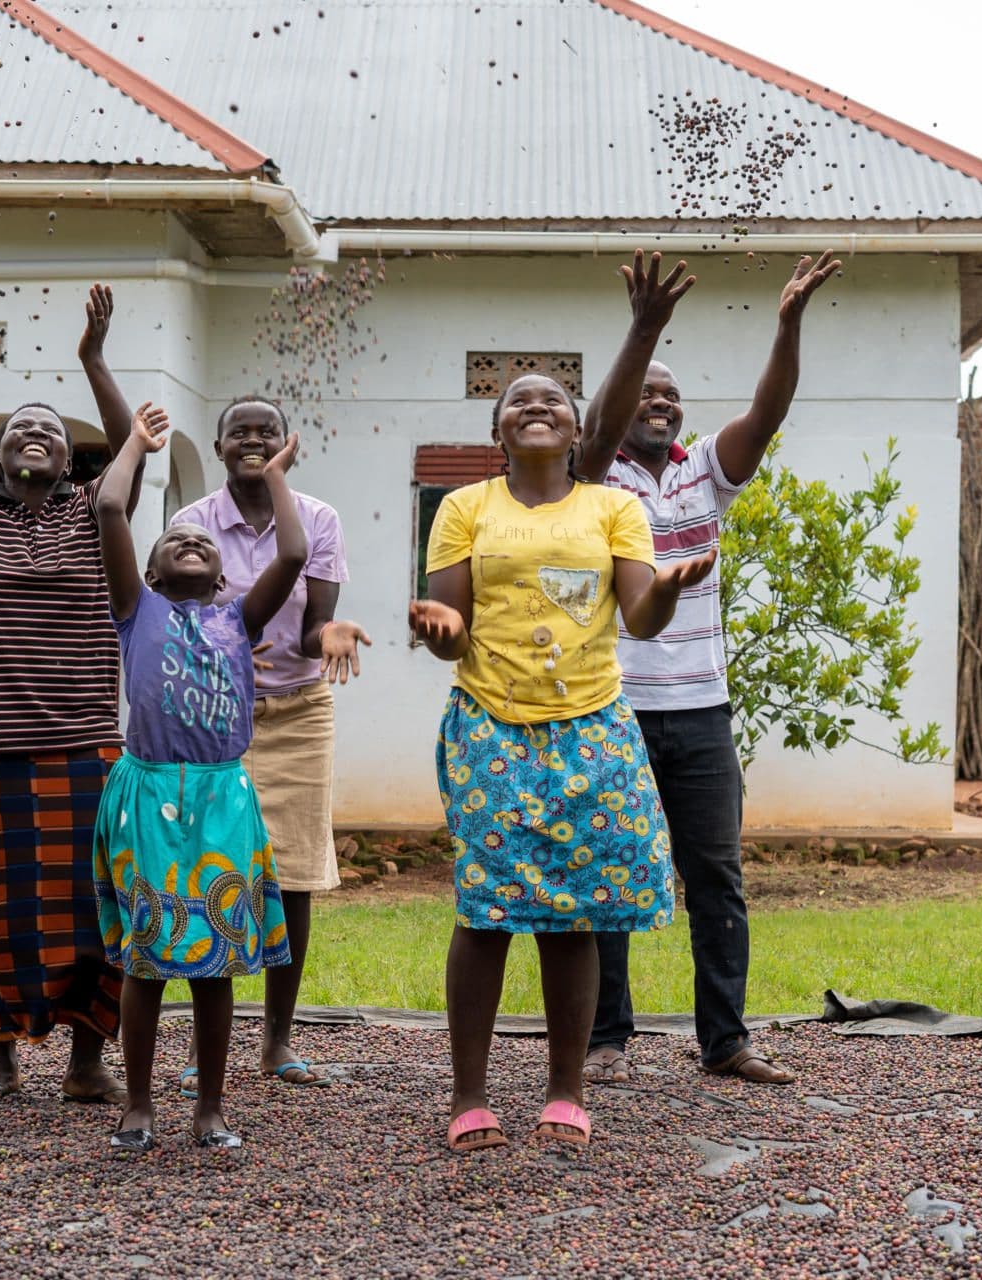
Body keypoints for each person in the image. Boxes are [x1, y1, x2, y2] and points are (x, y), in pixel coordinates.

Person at [409, 371, 716, 1153]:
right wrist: (440, 629)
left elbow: (641, 618)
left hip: (591, 729)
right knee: (485, 909)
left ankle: (566, 1092)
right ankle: (470, 1095)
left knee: (573, 912)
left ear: (579, 431)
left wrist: (672, 590)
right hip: (490, 727)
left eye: (553, 400)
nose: (536, 406)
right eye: (519, 401)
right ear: (498, 432)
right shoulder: (464, 508)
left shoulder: (614, 507)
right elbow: (451, 621)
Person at [573, 248, 839, 1088]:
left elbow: (767, 411)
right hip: (612, 707)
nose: (661, 402)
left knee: (716, 877)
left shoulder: (702, 476)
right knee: (609, 870)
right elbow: (598, 428)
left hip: (701, 711)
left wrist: (788, 323)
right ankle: (606, 1039)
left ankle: (725, 1041)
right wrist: (642, 330)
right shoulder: (591, 477)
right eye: (648, 391)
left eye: (672, 396)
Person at [0, 271, 138, 1105]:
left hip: (84, 742)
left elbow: (126, 451)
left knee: (95, 906)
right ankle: (2, 1059)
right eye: (19, 429)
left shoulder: (94, 510)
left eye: (49, 428)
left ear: (65, 453)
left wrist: (94, 360)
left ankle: (86, 1062)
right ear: (0, 454)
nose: (35, 433)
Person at [91, 405, 302, 1153]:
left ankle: (210, 1106)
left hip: (222, 797)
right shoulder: (134, 608)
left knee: (216, 964)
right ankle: (139, 1105)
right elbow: (111, 505)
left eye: (203, 543)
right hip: (149, 794)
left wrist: (274, 477)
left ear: (221, 575)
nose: (190, 540)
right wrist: (133, 445)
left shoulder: (238, 621)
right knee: (147, 957)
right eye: (175, 539)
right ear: (149, 571)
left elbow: (294, 553)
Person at [172, 396, 371, 1094]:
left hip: (300, 712)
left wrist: (334, 635)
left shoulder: (317, 519)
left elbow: (317, 626)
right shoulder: (191, 523)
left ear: (287, 442)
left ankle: (277, 1040)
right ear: (221, 444)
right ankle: (208, 1042)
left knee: (292, 877)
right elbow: (179, 620)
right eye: (239, 431)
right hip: (215, 716)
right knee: (214, 872)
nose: (252, 439)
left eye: (265, 430)